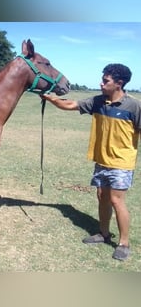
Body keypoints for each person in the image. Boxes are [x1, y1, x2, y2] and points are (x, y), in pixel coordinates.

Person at [41, 63, 141, 261]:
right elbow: (70, 105)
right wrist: (50, 98)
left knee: (116, 200)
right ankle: (103, 234)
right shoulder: (98, 101)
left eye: (106, 81)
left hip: (122, 162)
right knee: (102, 196)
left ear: (119, 83)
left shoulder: (134, 105)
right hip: (101, 160)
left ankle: (123, 243)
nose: (101, 83)